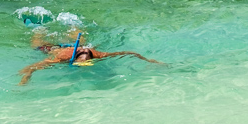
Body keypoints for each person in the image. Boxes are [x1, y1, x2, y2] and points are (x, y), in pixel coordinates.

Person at [18, 28, 161, 85]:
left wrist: (148, 60)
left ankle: (73, 27)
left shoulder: (95, 54)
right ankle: (39, 30)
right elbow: (37, 66)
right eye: (84, 58)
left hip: (72, 48)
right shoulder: (62, 57)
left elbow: (128, 53)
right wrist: (27, 74)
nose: (85, 56)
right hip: (55, 49)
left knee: (81, 41)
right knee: (39, 44)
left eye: (85, 57)